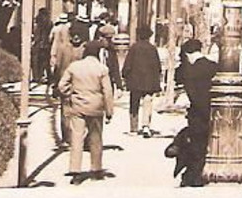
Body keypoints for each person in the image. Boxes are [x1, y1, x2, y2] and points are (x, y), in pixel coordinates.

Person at [57, 40, 114, 181]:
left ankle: (75, 170)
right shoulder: (102, 69)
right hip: (96, 107)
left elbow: (61, 86)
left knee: (76, 137)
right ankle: (96, 169)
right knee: (96, 138)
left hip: (77, 105)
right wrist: (109, 110)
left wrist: (71, 93)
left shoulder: (74, 67)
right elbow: (107, 91)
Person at [173, 38, 216, 186]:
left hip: (197, 113)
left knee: (196, 145)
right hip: (214, 111)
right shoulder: (213, 66)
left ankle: (193, 177)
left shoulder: (189, 70)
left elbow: (182, 85)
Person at [122, 25, 164, 137]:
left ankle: (133, 128)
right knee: (147, 102)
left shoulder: (134, 48)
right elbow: (158, 66)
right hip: (149, 82)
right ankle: (146, 125)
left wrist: (124, 75)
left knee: (134, 103)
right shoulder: (152, 48)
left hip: (135, 81)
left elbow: (128, 64)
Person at [47, 23, 80, 149]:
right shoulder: (83, 49)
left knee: (66, 111)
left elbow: (57, 67)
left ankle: (67, 139)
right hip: (77, 84)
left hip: (65, 83)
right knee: (74, 111)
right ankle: (74, 138)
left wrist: (55, 82)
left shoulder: (62, 48)